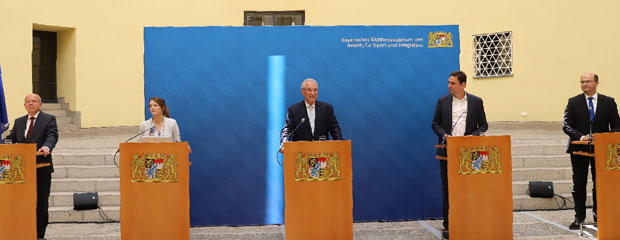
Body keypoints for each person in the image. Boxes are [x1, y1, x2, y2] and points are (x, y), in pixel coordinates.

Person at [431, 71, 488, 239]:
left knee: (471, 188)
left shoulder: (476, 102)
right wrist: (444, 136)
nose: (449, 86)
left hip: (473, 152)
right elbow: (435, 123)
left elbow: (484, 125)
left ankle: (470, 219)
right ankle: (449, 223)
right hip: (448, 151)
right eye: (448, 82)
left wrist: (474, 136)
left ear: (463, 85)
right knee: (448, 188)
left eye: (453, 83)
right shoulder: (442, 101)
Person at [562, 72, 620, 230]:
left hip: (601, 150)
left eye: (588, 81)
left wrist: (600, 137)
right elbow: (566, 125)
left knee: (599, 184)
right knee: (579, 185)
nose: (584, 84)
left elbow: (616, 126)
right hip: (579, 149)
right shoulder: (573, 102)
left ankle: (599, 217)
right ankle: (579, 218)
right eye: (582, 82)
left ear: (597, 83)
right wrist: (581, 137)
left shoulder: (609, 102)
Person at [6, 93, 58, 239]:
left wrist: (46, 147)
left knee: (41, 202)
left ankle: (39, 235)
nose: (31, 104)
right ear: (24, 105)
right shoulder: (19, 121)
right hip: (20, 169)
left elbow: (52, 136)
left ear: (40, 104)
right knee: (22, 202)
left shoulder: (49, 119)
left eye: (34, 101)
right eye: (28, 102)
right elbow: (12, 139)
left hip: (41, 167)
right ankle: (23, 231)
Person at [280, 78, 342, 151]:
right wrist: (284, 143)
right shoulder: (293, 110)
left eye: (315, 90)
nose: (313, 93)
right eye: (309, 90)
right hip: (300, 153)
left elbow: (335, 129)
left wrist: (340, 145)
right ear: (302, 91)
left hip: (322, 153)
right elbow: (287, 130)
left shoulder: (326, 108)